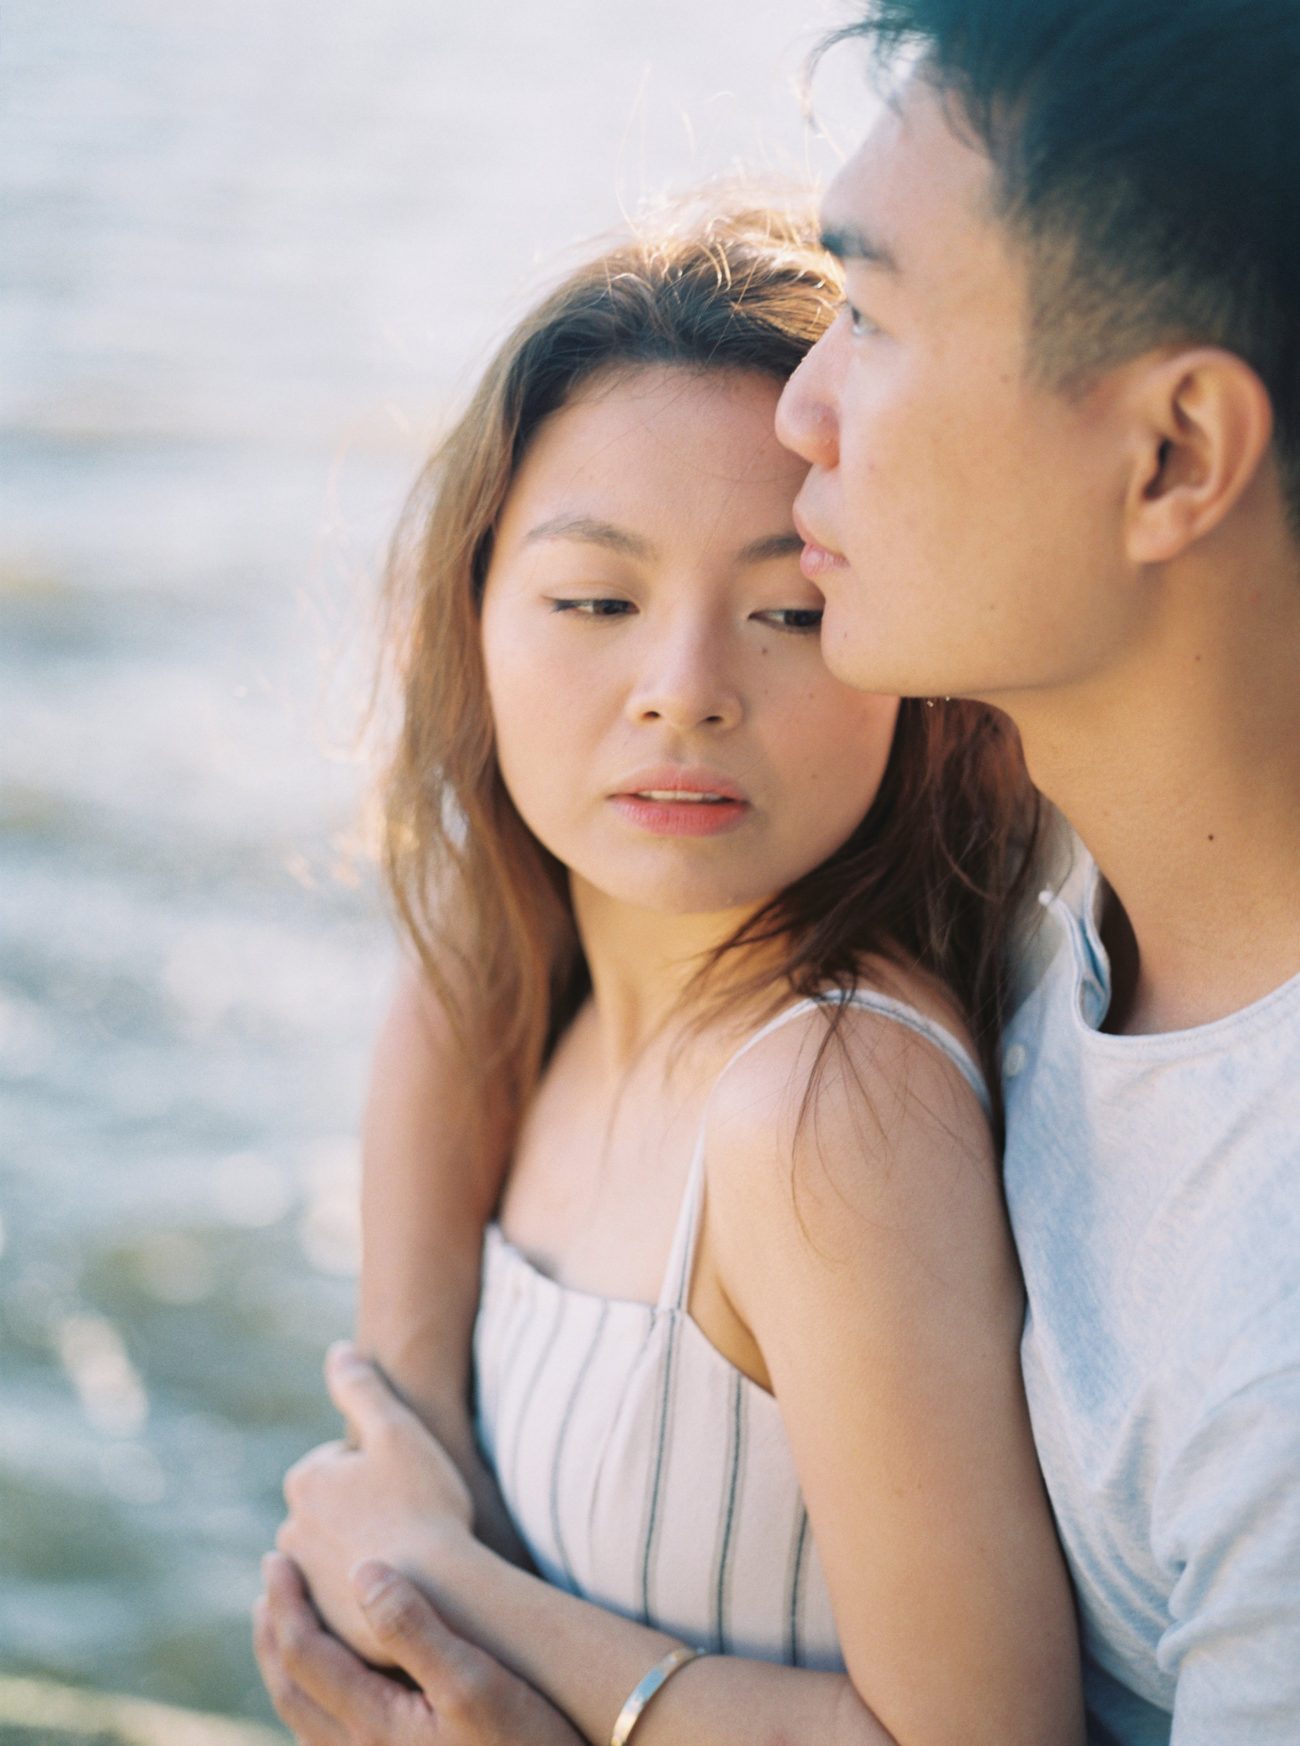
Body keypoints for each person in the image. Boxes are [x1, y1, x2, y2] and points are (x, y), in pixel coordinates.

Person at [259, 0, 1300, 1740]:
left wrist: (465, 1618)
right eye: (595, 599)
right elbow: (473, 967)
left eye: (875, 315)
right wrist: (412, 1402)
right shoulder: (1052, 845)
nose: (807, 408)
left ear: (1175, 456)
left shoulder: (1242, 1314)